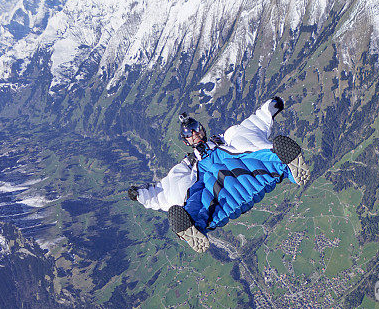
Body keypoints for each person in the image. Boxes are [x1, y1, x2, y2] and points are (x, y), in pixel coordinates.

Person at [128, 97, 309, 252]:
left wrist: (269, 109)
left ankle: (289, 165)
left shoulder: (223, 140)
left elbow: (249, 126)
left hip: (233, 164)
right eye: (189, 133)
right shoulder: (191, 165)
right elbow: (164, 189)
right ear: (185, 141)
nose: (194, 134)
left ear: (202, 129)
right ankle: (192, 227)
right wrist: (142, 195)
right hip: (216, 185)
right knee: (196, 195)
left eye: (196, 128)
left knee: (250, 155)